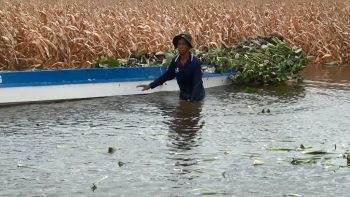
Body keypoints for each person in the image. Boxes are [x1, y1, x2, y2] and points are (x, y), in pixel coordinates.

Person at [137, 33, 205, 101]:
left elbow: (197, 84)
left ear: (189, 46)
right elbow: (166, 76)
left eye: (184, 44)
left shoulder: (195, 62)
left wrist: (192, 101)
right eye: (179, 44)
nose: (181, 47)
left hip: (197, 98)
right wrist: (150, 86)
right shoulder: (175, 61)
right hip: (183, 96)